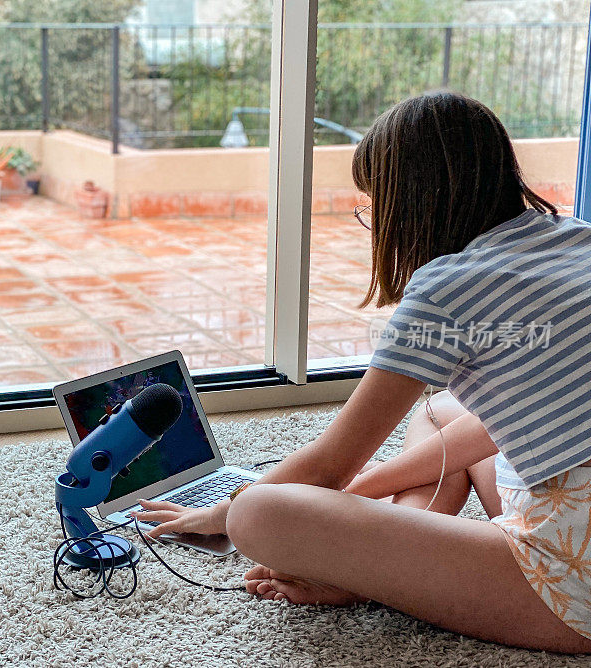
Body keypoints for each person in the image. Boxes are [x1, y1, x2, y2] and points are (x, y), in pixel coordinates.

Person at [132, 92, 591, 654]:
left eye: (373, 205)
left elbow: (329, 465)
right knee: (442, 410)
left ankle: (374, 573)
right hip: (574, 503)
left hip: (574, 586)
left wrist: (220, 513)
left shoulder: (448, 288)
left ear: (409, 202)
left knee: (258, 512)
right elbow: (497, 426)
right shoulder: (576, 238)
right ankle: (386, 563)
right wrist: (363, 504)